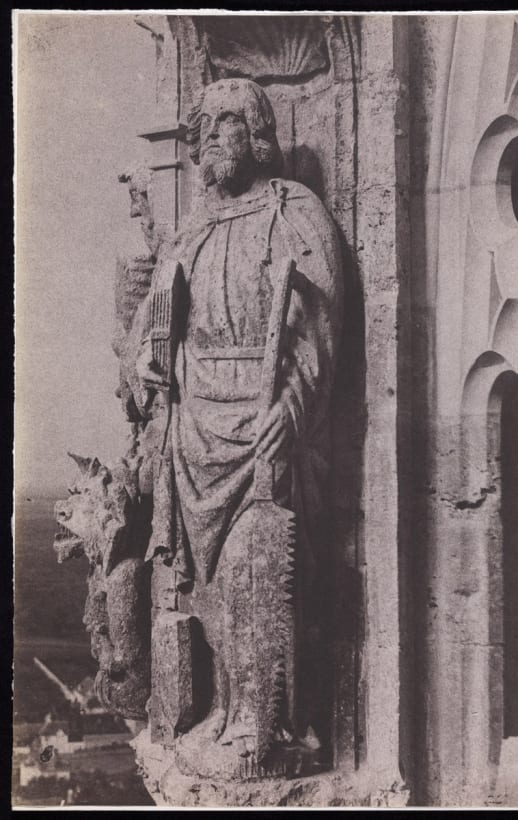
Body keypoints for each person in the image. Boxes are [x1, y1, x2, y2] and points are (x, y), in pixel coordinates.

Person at [128, 78, 343, 763]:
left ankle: (266, 726)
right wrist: (147, 362)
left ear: (257, 134)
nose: (214, 137)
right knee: (209, 584)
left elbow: (319, 331)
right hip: (195, 427)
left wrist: (294, 405)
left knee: (259, 563)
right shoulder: (190, 232)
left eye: (229, 123)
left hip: (264, 419)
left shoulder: (294, 212)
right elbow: (152, 332)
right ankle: (221, 712)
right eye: (207, 126)